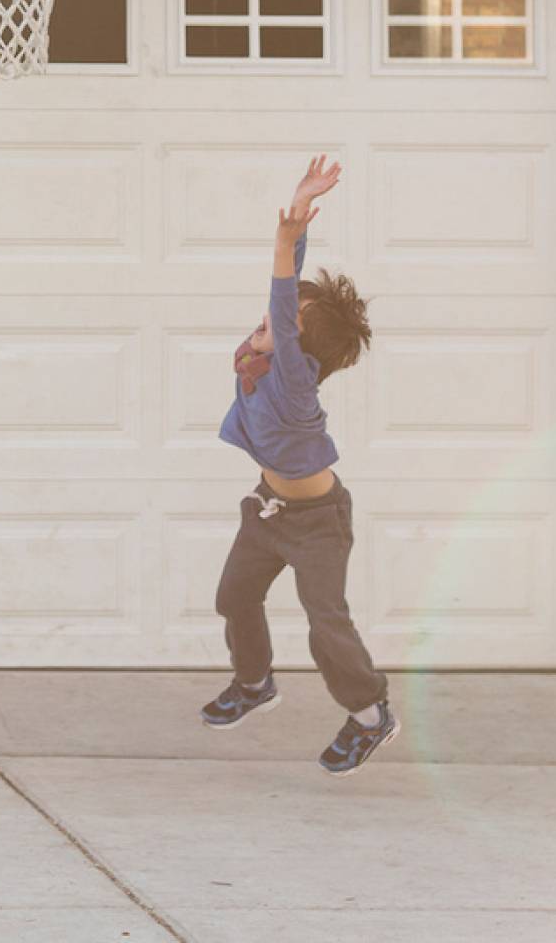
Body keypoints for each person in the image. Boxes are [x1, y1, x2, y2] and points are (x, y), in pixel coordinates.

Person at [198, 155, 393, 775]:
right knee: (235, 596)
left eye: (285, 326)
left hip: (317, 521)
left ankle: (369, 712)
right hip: (269, 508)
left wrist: (282, 242)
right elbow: (291, 299)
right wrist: (300, 213)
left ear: (299, 350)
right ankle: (254, 684)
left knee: (324, 620)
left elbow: (286, 306)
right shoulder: (262, 357)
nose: (267, 322)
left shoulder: (293, 380)